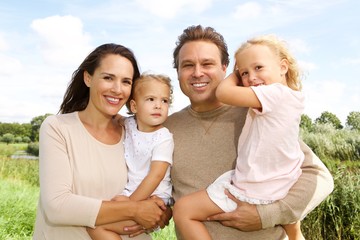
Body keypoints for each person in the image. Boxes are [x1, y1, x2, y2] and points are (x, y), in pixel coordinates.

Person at [164, 25, 334, 239]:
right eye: (188, 65)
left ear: (226, 69)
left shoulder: (258, 113)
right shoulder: (166, 129)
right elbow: (160, 190)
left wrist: (265, 215)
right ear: (178, 72)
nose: (198, 72)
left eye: (208, 64)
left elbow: (320, 178)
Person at [33, 44, 170, 240]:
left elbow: (163, 186)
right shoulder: (58, 127)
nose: (117, 89)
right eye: (108, 78)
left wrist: (163, 213)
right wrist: (134, 209)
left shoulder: (135, 131)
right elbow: (57, 206)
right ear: (88, 78)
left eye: (126, 81)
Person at [87, 73, 174, 240]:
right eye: (150, 99)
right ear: (134, 107)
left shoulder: (163, 138)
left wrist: (130, 205)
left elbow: (156, 175)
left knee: (97, 224)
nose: (158, 106)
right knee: (98, 222)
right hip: (134, 194)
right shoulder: (130, 124)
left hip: (154, 198)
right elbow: (114, 119)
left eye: (164, 101)